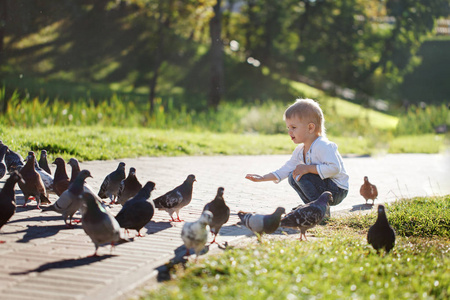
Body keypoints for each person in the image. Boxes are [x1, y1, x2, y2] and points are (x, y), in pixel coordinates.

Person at [245, 98, 349, 215]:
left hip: (337, 189)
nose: (289, 131)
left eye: (293, 127)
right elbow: (286, 168)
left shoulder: (323, 145)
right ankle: (311, 208)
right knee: (292, 176)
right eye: (288, 128)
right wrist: (263, 178)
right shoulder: (300, 150)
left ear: (310, 127)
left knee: (302, 175)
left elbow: (335, 168)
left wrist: (308, 168)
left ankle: (321, 211)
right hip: (325, 186)